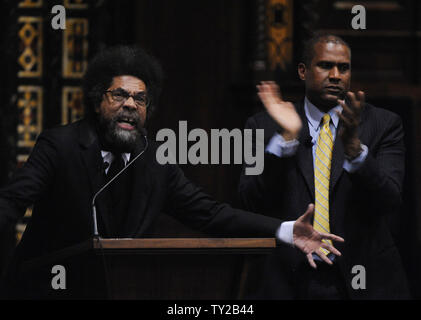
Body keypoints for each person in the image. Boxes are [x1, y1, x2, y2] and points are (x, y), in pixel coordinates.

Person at [0, 45, 343, 298]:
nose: (131, 104)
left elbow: (210, 214)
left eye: (141, 99)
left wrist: (286, 231)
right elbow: (14, 201)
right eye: (119, 95)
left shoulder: (153, 160)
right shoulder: (59, 146)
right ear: (96, 101)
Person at [238, 34, 410, 299]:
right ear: (303, 71)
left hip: (363, 279)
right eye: (325, 65)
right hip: (288, 279)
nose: (335, 75)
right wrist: (285, 141)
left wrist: (355, 154)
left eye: (344, 68)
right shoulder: (263, 126)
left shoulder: (384, 125)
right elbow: (250, 200)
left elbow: (389, 200)